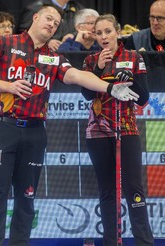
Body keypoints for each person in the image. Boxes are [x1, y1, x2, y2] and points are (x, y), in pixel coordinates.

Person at [0, 4, 139, 246]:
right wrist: (8, 86)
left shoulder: (53, 56)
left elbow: (77, 76)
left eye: (57, 23)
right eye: (48, 19)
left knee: (27, 198)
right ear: (36, 18)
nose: (52, 24)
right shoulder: (4, 43)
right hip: (4, 128)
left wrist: (110, 87)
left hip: (35, 132)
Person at [81, 14, 154, 245]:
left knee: (134, 188)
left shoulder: (134, 57)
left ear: (118, 32)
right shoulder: (90, 60)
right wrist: (99, 70)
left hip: (126, 129)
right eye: (99, 33)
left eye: (108, 32)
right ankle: (110, 242)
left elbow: (143, 99)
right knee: (107, 191)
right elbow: (87, 94)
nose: (103, 37)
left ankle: (144, 241)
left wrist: (131, 78)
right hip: (98, 132)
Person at [17, 0, 84, 51]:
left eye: (56, 24)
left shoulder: (79, 9)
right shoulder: (36, 7)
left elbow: (84, 30)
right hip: (36, 51)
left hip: (67, 51)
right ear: (35, 17)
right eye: (48, 18)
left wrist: (73, 35)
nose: (51, 25)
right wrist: (47, 41)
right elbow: (23, 31)